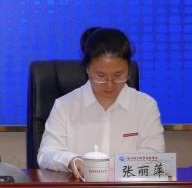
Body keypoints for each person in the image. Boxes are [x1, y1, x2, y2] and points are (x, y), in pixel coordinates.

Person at [37, 27, 164, 176]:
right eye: (101, 76)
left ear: (129, 69)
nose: (110, 85)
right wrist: (71, 160)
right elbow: (45, 155)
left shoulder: (145, 106)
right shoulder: (65, 106)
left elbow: (154, 156)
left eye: (118, 75)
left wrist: (100, 167)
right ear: (87, 69)